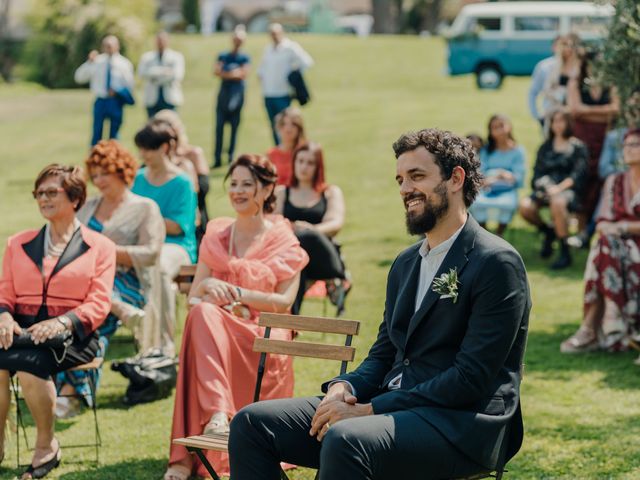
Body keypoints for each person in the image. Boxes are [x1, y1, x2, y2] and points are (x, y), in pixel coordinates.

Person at [228, 128, 531, 480]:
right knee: (252, 423)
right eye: (400, 179)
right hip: (394, 411)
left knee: (346, 437)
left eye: (417, 176)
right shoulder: (405, 264)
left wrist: (371, 410)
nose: (404, 189)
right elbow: (386, 354)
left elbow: (470, 378)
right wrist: (346, 388)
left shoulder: (496, 262)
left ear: (455, 179)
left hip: (462, 424)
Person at [164, 154, 308, 480]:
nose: (238, 191)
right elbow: (195, 295)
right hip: (220, 328)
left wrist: (238, 293)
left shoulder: (284, 238)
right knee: (201, 313)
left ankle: (197, 447)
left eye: (247, 184)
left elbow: (284, 301)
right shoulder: (216, 233)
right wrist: (212, 286)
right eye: (233, 184)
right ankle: (217, 415)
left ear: (267, 189)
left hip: (264, 332)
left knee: (204, 318)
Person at [0, 164, 116, 479]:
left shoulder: (100, 247)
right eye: (39, 193)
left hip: (75, 336)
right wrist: (4, 316)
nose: (44, 198)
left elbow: (100, 302)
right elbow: (5, 292)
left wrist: (63, 323)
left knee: (29, 363)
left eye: (52, 192)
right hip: (20, 331)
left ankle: (46, 446)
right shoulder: (17, 243)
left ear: (76, 198)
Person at [54, 141, 165, 417]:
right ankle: (71, 390)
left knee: (91, 316)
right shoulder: (87, 207)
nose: (99, 180)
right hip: (85, 283)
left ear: (122, 171)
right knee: (78, 314)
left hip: (128, 281)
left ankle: (71, 392)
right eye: (95, 174)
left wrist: (107, 250)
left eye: (105, 173)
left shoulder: (144, 207)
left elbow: (151, 253)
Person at [561, 128, 640, 354]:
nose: (628, 149)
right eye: (626, 145)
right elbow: (603, 220)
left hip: (630, 245)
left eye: (635, 145)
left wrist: (623, 227)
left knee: (604, 249)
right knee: (604, 245)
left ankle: (591, 329)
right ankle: (605, 328)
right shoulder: (614, 180)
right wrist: (615, 230)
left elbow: (614, 225)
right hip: (617, 245)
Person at [132, 122, 197, 357]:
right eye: (141, 149)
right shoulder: (137, 178)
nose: (144, 155)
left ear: (165, 148)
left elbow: (179, 226)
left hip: (176, 246)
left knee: (157, 267)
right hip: (142, 243)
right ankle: (148, 342)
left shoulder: (182, 182)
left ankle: (163, 346)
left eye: (149, 149)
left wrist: (146, 219)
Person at [274, 142, 349, 314]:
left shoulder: (330, 192)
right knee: (297, 265)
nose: (304, 167)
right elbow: (274, 224)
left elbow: (335, 223)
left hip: (324, 259)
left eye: (310, 163)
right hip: (292, 259)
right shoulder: (282, 193)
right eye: (300, 161)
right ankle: (290, 325)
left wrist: (308, 229)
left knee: (309, 239)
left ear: (318, 166)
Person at [519, 110, 588, 270]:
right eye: (555, 121)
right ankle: (548, 231)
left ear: (569, 123)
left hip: (568, 191)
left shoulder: (578, 147)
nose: (558, 125)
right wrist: (547, 187)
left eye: (561, 121)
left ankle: (564, 251)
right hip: (545, 189)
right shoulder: (545, 146)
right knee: (525, 207)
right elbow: (537, 173)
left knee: (557, 202)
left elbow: (577, 175)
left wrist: (558, 188)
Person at [567, 50, 620, 246]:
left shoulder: (610, 84)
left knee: (601, 181)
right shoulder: (577, 83)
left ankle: (594, 231)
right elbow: (574, 110)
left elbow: (616, 110)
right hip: (582, 140)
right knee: (583, 180)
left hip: (604, 139)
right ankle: (580, 231)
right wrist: (601, 113)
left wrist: (586, 111)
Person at [153, 110, 210, 246]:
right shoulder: (151, 162)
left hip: (194, 218)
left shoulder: (193, 154)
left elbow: (203, 188)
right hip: (163, 221)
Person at [469, 114, 526, 236]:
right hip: (486, 187)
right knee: (476, 203)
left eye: (501, 126)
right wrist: (496, 176)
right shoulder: (486, 151)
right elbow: (480, 172)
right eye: (495, 127)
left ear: (509, 127)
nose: (499, 130)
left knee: (507, 205)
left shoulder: (517, 151)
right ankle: (484, 234)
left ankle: (499, 235)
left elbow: (519, 177)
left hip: (507, 189)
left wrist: (506, 176)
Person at [258, 23, 313, 145]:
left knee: (286, 125)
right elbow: (261, 70)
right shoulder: (268, 49)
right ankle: (278, 151)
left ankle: (290, 150)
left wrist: (294, 74)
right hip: (268, 93)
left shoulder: (290, 47)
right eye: (272, 34)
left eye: (276, 33)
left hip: (283, 94)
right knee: (274, 126)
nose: (274, 36)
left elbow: (307, 62)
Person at [74, 35, 134, 146]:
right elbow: (79, 77)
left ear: (117, 46)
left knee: (114, 135)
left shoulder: (124, 63)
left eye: (111, 46)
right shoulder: (97, 61)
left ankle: (113, 158)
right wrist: (89, 63)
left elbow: (129, 85)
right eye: (106, 46)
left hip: (115, 101)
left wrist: (117, 91)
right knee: (97, 133)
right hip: (101, 100)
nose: (109, 48)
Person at [213, 25, 250, 168]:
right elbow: (217, 71)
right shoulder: (223, 55)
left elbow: (244, 73)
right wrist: (234, 73)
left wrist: (228, 73)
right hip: (223, 95)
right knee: (219, 127)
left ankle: (230, 157)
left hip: (237, 95)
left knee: (235, 127)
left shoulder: (245, 57)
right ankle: (217, 158)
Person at [539, 34, 582, 129]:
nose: (567, 48)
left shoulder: (580, 66)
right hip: (557, 107)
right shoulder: (555, 66)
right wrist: (559, 95)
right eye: (564, 45)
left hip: (574, 109)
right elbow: (547, 89)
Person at [138, 32, 185, 118]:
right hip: (152, 99)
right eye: (159, 41)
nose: (161, 43)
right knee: (152, 128)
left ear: (168, 41)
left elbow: (177, 75)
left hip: (169, 99)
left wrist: (154, 78)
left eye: (163, 40)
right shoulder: (147, 57)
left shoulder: (176, 57)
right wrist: (163, 71)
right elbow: (142, 73)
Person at [598, 91, 640, 180]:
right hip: (620, 183)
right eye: (631, 110)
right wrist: (629, 172)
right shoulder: (613, 136)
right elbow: (603, 169)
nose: (635, 114)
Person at [266, 107, 307, 186]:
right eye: (284, 124)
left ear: (299, 128)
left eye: (293, 124)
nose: (288, 129)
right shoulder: (271, 155)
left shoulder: (307, 152)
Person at [528, 35, 561, 126]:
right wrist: (536, 115)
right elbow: (533, 92)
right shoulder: (544, 67)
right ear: (553, 47)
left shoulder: (576, 67)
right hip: (549, 114)